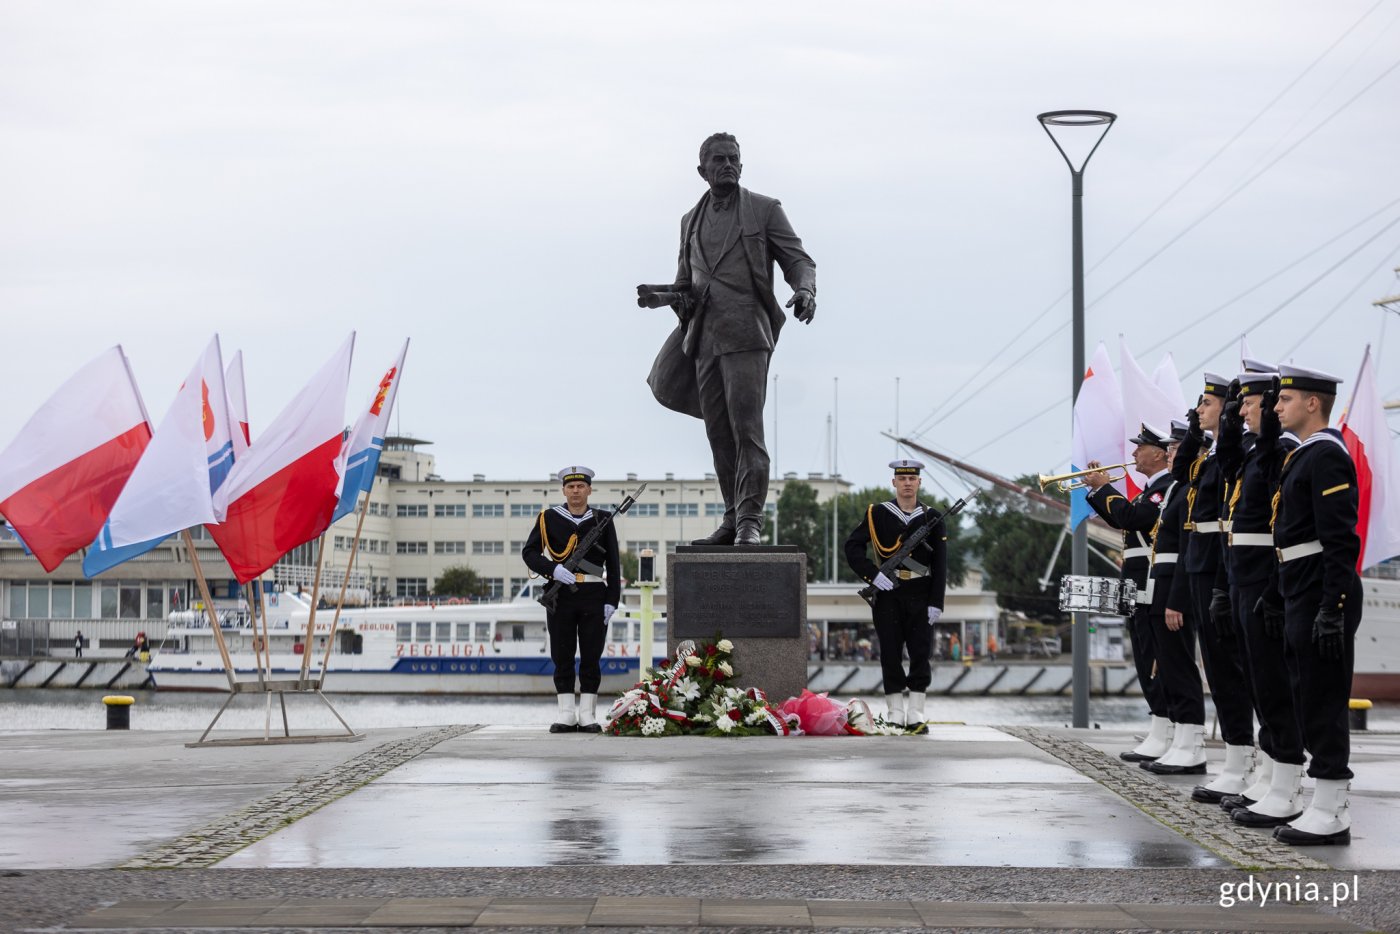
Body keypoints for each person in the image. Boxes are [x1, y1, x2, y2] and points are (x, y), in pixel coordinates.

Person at [639, 132, 817, 546]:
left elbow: (798, 260)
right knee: (718, 435)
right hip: (705, 340)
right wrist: (662, 296)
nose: (728, 165)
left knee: (747, 431)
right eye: (718, 160)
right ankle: (733, 516)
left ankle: (751, 522)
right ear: (702, 170)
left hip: (746, 335)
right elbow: (687, 284)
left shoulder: (764, 209)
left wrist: (805, 289)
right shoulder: (690, 221)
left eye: (734, 159)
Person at [1263, 365, 1362, 846]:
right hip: (1298, 584)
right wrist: (1277, 593)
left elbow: (1341, 540)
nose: (1276, 407)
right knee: (1304, 693)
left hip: (1322, 585)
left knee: (1323, 699)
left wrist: (1333, 606)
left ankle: (1332, 810)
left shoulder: (1326, 455)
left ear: (1312, 404)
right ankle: (1318, 802)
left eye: (1285, 399)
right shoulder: (1300, 457)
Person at [1153, 374, 1255, 777]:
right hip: (1199, 564)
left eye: (1206, 406)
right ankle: (1237, 760)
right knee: (1217, 667)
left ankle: (1245, 759)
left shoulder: (1237, 452)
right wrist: (1196, 431)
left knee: (1231, 669)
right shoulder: (1208, 458)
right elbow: (1180, 470)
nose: (1198, 411)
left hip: (1216, 565)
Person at [1214, 371, 1305, 820]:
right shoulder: (1250, 455)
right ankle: (1270, 776)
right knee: (1257, 681)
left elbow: (1279, 524)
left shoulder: (1281, 452)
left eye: (1247, 404)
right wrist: (1228, 432)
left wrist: (1272, 588)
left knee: (1272, 683)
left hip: (1262, 578)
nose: (1241, 411)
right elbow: (1225, 469)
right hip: (1240, 576)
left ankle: (1285, 782)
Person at [1081, 424, 1175, 763]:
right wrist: (1098, 490)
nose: (1133, 453)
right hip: (1137, 586)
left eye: (1141, 448)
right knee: (1143, 655)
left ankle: (1166, 730)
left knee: (1154, 661)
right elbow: (1124, 518)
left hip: (1151, 586)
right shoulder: (1149, 490)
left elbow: (1132, 518)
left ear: (1160, 454)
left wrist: (1105, 487)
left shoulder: (1164, 489)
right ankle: (1159, 727)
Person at [843, 459, 947, 733]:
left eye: (912, 479)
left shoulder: (932, 517)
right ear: (894, 483)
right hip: (888, 594)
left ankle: (916, 712)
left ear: (919, 483)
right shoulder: (877, 513)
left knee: (920, 653)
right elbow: (852, 546)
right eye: (902, 479)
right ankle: (895, 712)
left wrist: (937, 601)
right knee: (890, 652)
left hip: (921, 593)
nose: (908, 483)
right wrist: (872, 575)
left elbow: (941, 564)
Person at [521, 466, 622, 734]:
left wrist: (612, 599)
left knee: (591, 655)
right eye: (570, 487)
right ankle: (566, 713)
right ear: (563, 490)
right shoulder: (548, 518)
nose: (575, 491)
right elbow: (529, 552)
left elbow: (613, 563)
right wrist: (553, 569)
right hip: (561, 595)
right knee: (562, 654)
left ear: (589, 489)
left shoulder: (602, 519)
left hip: (593, 595)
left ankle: (587, 714)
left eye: (581, 486)